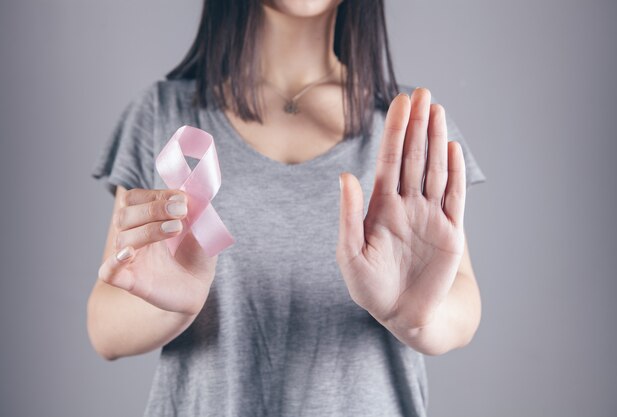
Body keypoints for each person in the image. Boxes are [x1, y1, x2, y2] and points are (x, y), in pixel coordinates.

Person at [87, 1, 487, 416]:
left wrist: (416, 316)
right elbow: (104, 328)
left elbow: (463, 304)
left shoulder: (411, 126)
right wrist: (171, 307)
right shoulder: (162, 113)